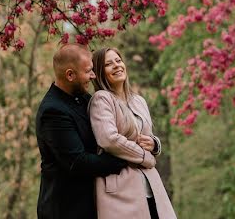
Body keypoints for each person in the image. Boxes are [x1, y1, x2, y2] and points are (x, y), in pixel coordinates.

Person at [36, 44, 128, 219]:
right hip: (66, 210)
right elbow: (78, 162)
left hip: (93, 205)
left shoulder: (86, 99)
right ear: (70, 75)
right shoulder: (53, 111)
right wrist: (126, 158)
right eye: (88, 71)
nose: (93, 76)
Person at [88, 47, 177, 219]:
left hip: (150, 183)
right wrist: (146, 157)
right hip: (121, 187)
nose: (116, 65)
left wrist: (155, 144)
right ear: (99, 72)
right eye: (108, 64)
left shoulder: (138, 100)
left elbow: (147, 136)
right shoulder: (101, 99)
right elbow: (109, 139)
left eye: (118, 60)